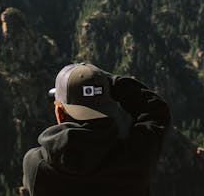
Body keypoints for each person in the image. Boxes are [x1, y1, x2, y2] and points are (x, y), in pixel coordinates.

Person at [21, 63, 171, 196]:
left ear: (59, 112)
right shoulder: (135, 156)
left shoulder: (36, 165)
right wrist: (107, 82)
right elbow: (156, 109)